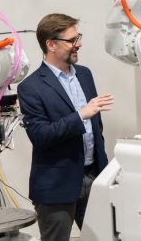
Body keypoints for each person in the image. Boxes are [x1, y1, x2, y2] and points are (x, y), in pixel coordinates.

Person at [17, 13, 113, 241]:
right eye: (71, 40)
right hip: (56, 186)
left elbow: (96, 132)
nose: (78, 43)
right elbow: (40, 136)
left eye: (78, 37)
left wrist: (106, 173)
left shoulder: (85, 75)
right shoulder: (30, 87)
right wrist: (81, 115)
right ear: (51, 44)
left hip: (94, 178)